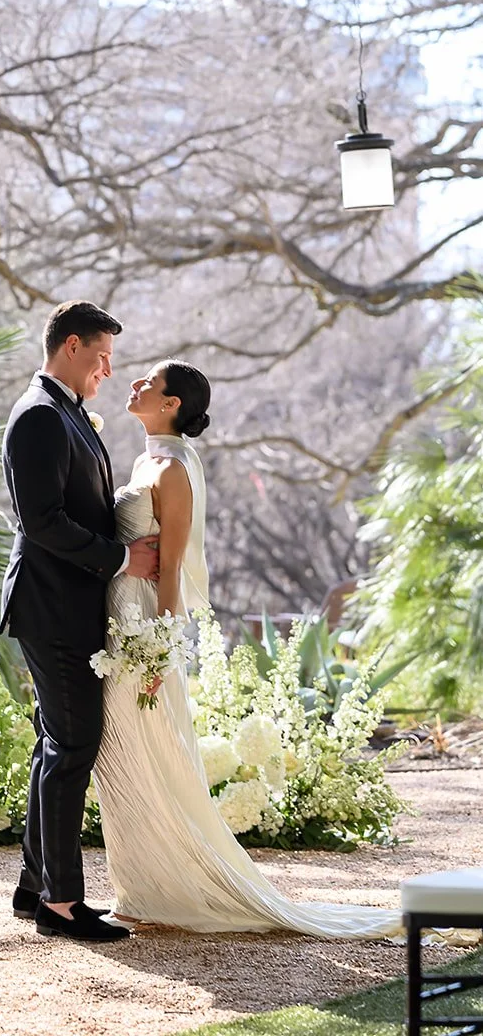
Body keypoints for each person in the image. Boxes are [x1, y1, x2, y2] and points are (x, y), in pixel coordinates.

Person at [93, 359, 401, 938]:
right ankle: (141, 886)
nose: (134, 385)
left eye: (148, 384)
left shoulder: (176, 470)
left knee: (145, 746)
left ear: (172, 404)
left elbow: (174, 567)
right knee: (124, 754)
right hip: (116, 611)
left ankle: (159, 889)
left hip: (142, 626)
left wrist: (159, 648)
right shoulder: (144, 458)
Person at [0, 300, 160, 941]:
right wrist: (120, 557)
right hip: (51, 605)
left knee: (55, 742)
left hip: (66, 603)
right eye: (101, 358)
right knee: (73, 746)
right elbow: (40, 523)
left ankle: (34, 886)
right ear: (71, 347)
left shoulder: (66, 410)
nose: (107, 371)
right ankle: (62, 905)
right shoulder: (38, 416)